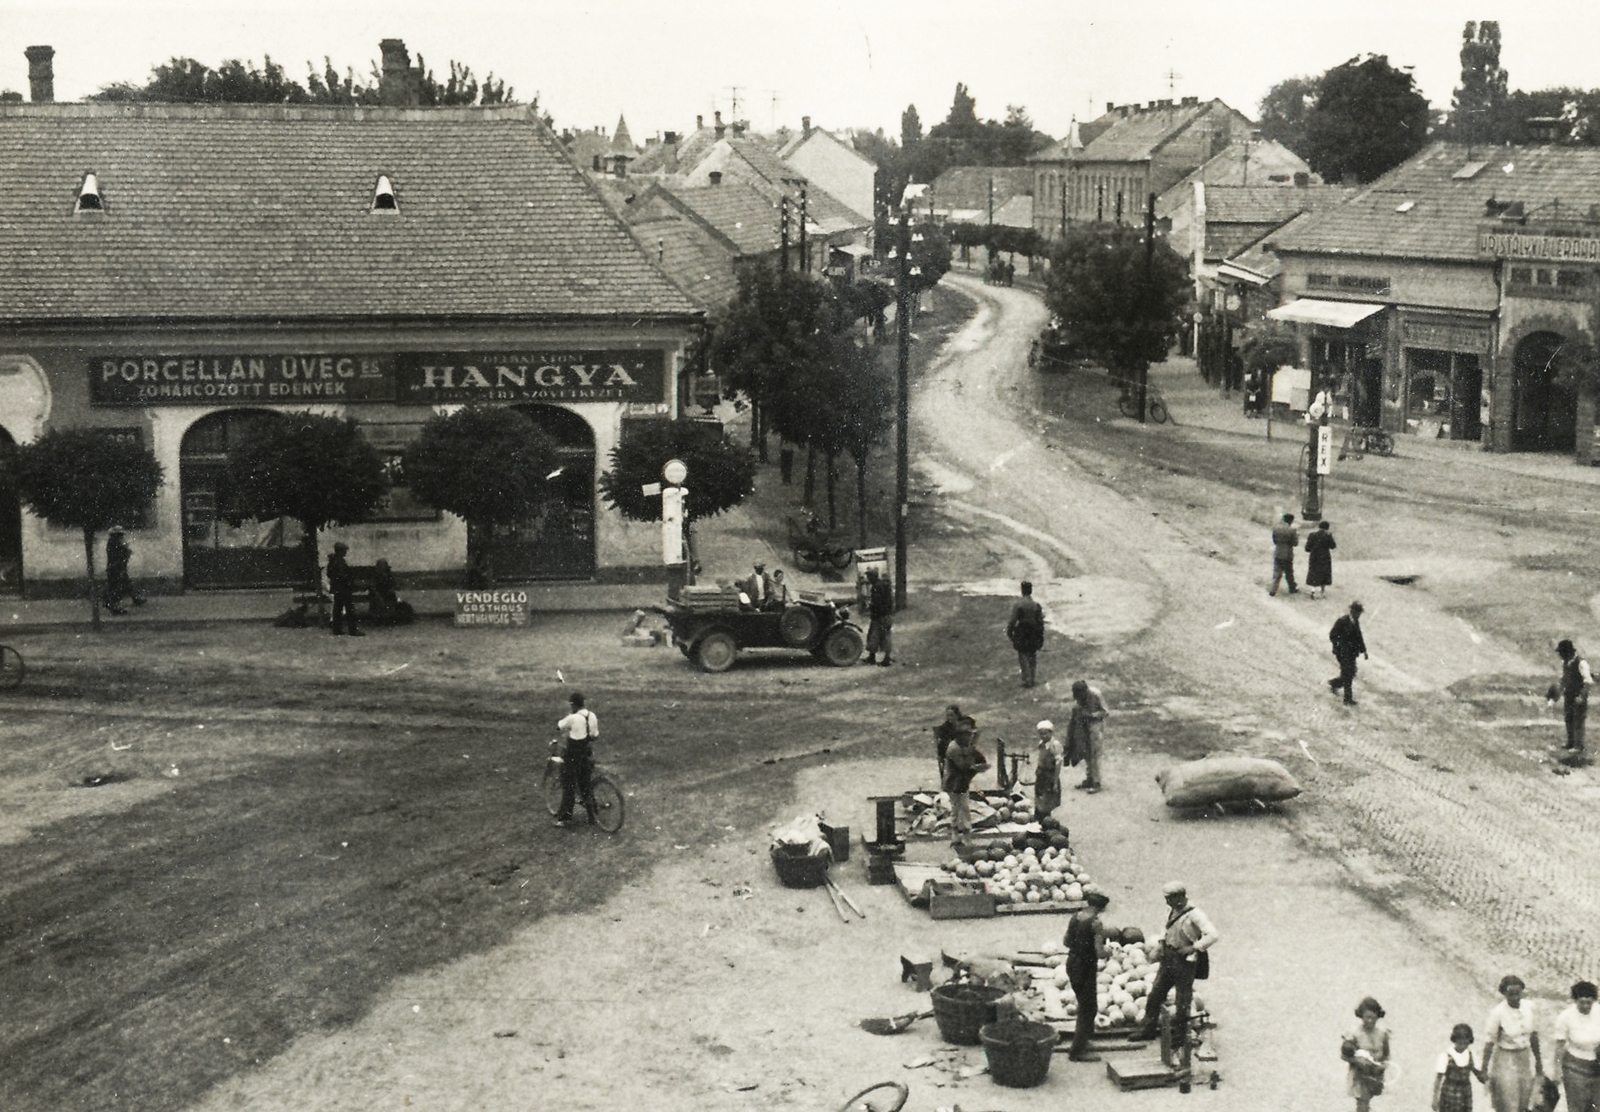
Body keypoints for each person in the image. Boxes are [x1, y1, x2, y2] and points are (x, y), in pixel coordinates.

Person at [1129, 881, 1219, 1043]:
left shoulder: (1195, 914)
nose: (1167, 902)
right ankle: (1148, 1029)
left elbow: (1212, 935)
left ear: (1179, 897)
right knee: (1155, 994)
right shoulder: (1172, 911)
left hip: (1184, 961)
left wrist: (1194, 947)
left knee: (1182, 999)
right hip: (1168, 958)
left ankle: (1180, 1035)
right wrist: (1161, 946)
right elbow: (1167, 930)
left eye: (1169, 899)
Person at [1483, 974, 1543, 1112]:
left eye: (1518, 993)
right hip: (1505, 1058)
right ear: (1504, 994)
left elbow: (1534, 1035)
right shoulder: (1498, 1013)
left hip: (1524, 1058)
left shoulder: (1530, 1007)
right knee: (1508, 1099)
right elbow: (1490, 1042)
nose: (1515, 998)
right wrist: (1484, 1069)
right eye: (1511, 994)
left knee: (1525, 1097)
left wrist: (1538, 1061)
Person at [1064, 891, 1111, 1062]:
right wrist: (1109, 951)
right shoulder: (1096, 924)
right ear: (1101, 908)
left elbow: (1066, 942)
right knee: (1088, 1008)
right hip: (1085, 967)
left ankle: (1084, 1040)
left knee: (1086, 1004)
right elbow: (1099, 952)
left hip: (1072, 963)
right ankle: (1077, 1051)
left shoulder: (1075, 917)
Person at [1551, 981, 1600, 1112]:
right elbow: (1559, 1046)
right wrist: (1557, 1071)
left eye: (1589, 1002)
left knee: (1596, 1106)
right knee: (1577, 1106)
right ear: (1575, 1000)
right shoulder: (1565, 1017)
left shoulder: (1598, 1012)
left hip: (1597, 1066)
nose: (1585, 1006)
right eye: (1581, 1002)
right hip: (1574, 1067)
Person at [552, 692, 599, 827]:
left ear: (573, 705)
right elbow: (595, 735)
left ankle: (565, 817)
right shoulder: (592, 715)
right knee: (585, 783)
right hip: (586, 752)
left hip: (573, 754)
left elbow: (559, 725)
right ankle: (593, 814)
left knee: (568, 784)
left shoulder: (573, 718)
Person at [1342, 997, 1393, 1112]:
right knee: (1362, 1102)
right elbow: (1344, 1055)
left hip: (1375, 1074)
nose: (1370, 1021)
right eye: (1367, 1017)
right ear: (1361, 1016)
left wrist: (1383, 1065)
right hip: (1359, 1074)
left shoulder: (1382, 1034)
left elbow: (1386, 1055)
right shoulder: (1354, 1033)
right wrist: (1357, 1061)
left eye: (1373, 1018)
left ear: (1378, 1017)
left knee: (1368, 1101)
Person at [942, 727, 987, 846]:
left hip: (960, 783)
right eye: (968, 736)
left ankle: (957, 836)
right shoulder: (954, 748)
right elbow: (963, 766)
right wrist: (976, 767)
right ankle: (963, 837)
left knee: (958, 809)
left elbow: (978, 757)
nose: (970, 738)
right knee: (962, 809)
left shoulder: (962, 746)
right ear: (960, 736)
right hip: (954, 783)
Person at [1551, 640, 1593, 754]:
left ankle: (1579, 746)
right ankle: (1571, 743)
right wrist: (1558, 695)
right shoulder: (1566, 663)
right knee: (1569, 719)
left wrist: (1581, 696)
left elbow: (1588, 682)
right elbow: (1564, 680)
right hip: (1569, 696)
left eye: (1561, 652)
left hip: (1578, 696)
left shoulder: (1581, 663)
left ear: (1567, 652)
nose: (1560, 655)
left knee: (1578, 721)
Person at [1067, 679, 1108, 793]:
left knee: (1095, 754)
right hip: (1083, 726)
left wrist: (1091, 715)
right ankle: (1089, 779)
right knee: (1087, 753)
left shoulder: (1096, 694)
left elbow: (1105, 712)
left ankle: (1096, 783)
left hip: (1096, 725)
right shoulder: (1078, 699)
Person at [1434, 1022, 1486, 1112]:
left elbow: (1478, 1074)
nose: (1463, 1046)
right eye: (1460, 1043)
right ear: (1455, 1040)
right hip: (1449, 1095)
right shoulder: (1446, 1056)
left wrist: (1489, 1081)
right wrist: (1435, 1098)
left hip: (1465, 1095)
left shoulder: (1471, 1055)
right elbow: (1438, 1079)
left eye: (1466, 1043)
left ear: (1469, 1041)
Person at [1005, 580, 1046, 688]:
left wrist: (1010, 632)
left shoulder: (1018, 604)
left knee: (1023, 654)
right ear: (1031, 591)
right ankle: (1032, 678)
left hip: (1022, 630)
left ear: (1022, 590)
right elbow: (1040, 622)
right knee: (1032, 654)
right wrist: (1040, 636)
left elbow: (1013, 620)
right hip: (1033, 631)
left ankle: (1027, 679)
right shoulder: (1036, 605)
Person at [1328, 602, 1369, 705]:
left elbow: (1359, 637)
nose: (1358, 615)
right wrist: (1338, 646)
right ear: (1352, 611)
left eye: (1359, 613)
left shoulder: (1355, 621)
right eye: (1357, 613)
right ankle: (1347, 698)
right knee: (1348, 673)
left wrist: (1364, 650)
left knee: (1351, 672)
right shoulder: (1342, 621)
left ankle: (1334, 683)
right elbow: (1333, 635)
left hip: (1351, 653)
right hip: (1342, 653)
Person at [102, 526, 146, 615]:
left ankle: (134, 598)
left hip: (117, 568)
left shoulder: (114, 543)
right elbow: (119, 555)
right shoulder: (114, 543)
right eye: (120, 535)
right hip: (116, 568)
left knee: (125, 584)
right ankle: (114, 606)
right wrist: (126, 551)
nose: (122, 536)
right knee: (117, 587)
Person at [326, 542, 363, 636]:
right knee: (349, 609)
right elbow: (343, 576)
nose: (346, 552)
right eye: (344, 550)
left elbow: (329, 574)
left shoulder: (332, 561)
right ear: (340, 551)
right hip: (344, 588)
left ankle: (337, 629)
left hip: (337, 588)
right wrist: (351, 582)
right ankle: (352, 630)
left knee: (337, 608)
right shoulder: (340, 561)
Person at [932, 705, 972, 786]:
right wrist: (940, 755)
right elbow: (941, 744)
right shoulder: (945, 727)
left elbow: (972, 726)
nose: (949, 718)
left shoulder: (964, 723)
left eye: (951, 715)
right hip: (951, 752)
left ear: (957, 715)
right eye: (947, 715)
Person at [368, 558, 415, 625]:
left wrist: (391, 589)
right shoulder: (375, 575)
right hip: (377, 593)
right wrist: (378, 596)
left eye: (383, 565)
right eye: (380, 565)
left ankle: (389, 616)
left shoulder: (388, 574)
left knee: (391, 599)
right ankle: (381, 617)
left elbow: (393, 584)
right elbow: (373, 587)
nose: (382, 567)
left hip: (386, 592)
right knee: (379, 600)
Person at [1032, 719, 1062, 820]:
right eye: (1041, 733)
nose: (1044, 736)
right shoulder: (1041, 744)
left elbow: (1058, 763)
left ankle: (1046, 817)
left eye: (1046, 733)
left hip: (1050, 773)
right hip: (1041, 772)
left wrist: (1055, 781)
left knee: (1048, 796)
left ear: (1051, 733)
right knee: (1039, 793)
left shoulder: (1055, 745)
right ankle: (1038, 814)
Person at [863, 568, 893, 666]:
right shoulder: (882, 585)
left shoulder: (877, 587)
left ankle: (884, 659)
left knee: (878, 636)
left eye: (869, 576)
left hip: (880, 616)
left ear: (873, 577)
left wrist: (870, 607)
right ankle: (878, 657)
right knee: (879, 636)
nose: (868, 579)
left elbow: (877, 602)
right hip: (885, 615)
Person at [1269, 512, 1299, 596]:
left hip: (1278, 551)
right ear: (1291, 521)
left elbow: (1274, 540)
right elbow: (1295, 543)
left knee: (1277, 572)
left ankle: (1273, 589)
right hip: (1287, 553)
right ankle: (1292, 588)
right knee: (1289, 572)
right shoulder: (1292, 530)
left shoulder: (1276, 528)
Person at [1305, 520, 1337, 600]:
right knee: (1324, 573)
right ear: (1327, 528)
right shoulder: (1328, 535)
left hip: (1314, 556)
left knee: (1313, 572)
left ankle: (1313, 591)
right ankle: (1322, 591)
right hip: (1325, 556)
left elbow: (1307, 548)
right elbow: (1333, 546)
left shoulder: (1312, 535)